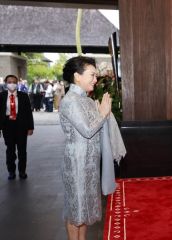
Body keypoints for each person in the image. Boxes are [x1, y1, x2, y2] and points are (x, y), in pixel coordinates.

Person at [59, 56, 112, 240]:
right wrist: (103, 114)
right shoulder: (70, 101)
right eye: (92, 75)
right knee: (76, 211)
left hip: (89, 163)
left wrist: (101, 113)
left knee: (84, 211)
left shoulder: (88, 101)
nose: (96, 80)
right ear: (77, 76)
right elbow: (88, 130)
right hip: (76, 164)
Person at [0, 75, 34, 180]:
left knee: (22, 150)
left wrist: (30, 127)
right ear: (6, 83)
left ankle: (22, 171)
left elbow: (29, 112)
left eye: (14, 82)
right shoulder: (1, 96)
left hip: (21, 125)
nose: (12, 84)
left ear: (17, 83)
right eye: (9, 82)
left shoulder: (24, 96)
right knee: (10, 150)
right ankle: (11, 171)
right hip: (7, 126)